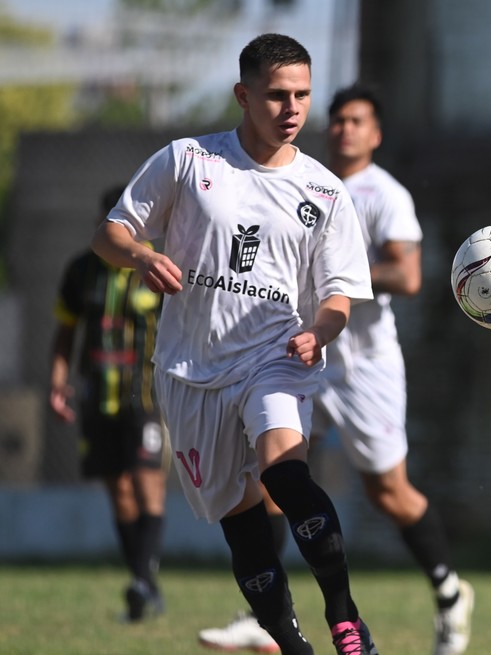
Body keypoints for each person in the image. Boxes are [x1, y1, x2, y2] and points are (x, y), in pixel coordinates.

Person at [92, 33, 380, 655]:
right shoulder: (188, 161)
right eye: (278, 95)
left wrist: (319, 333)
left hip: (274, 357)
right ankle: (290, 643)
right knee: (242, 522)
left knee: (287, 470)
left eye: (303, 94)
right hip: (190, 370)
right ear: (243, 95)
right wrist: (141, 254)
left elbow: (339, 296)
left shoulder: (326, 192)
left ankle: (346, 618)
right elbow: (109, 235)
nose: (293, 108)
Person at [198, 86, 474, 655]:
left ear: (374, 134)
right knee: (273, 476)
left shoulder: (383, 195)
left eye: (357, 121)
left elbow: (409, 275)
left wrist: (338, 270)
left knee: (386, 489)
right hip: (296, 358)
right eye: (339, 120)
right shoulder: (301, 181)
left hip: (362, 366)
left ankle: (449, 590)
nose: (345, 129)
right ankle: (264, 618)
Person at [50, 184, 167, 623]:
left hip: (147, 395)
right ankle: (144, 584)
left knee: (145, 480)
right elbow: (65, 333)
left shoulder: (159, 269)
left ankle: (142, 582)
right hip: (97, 394)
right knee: (118, 488)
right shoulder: (81, 271)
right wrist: (58, 381)